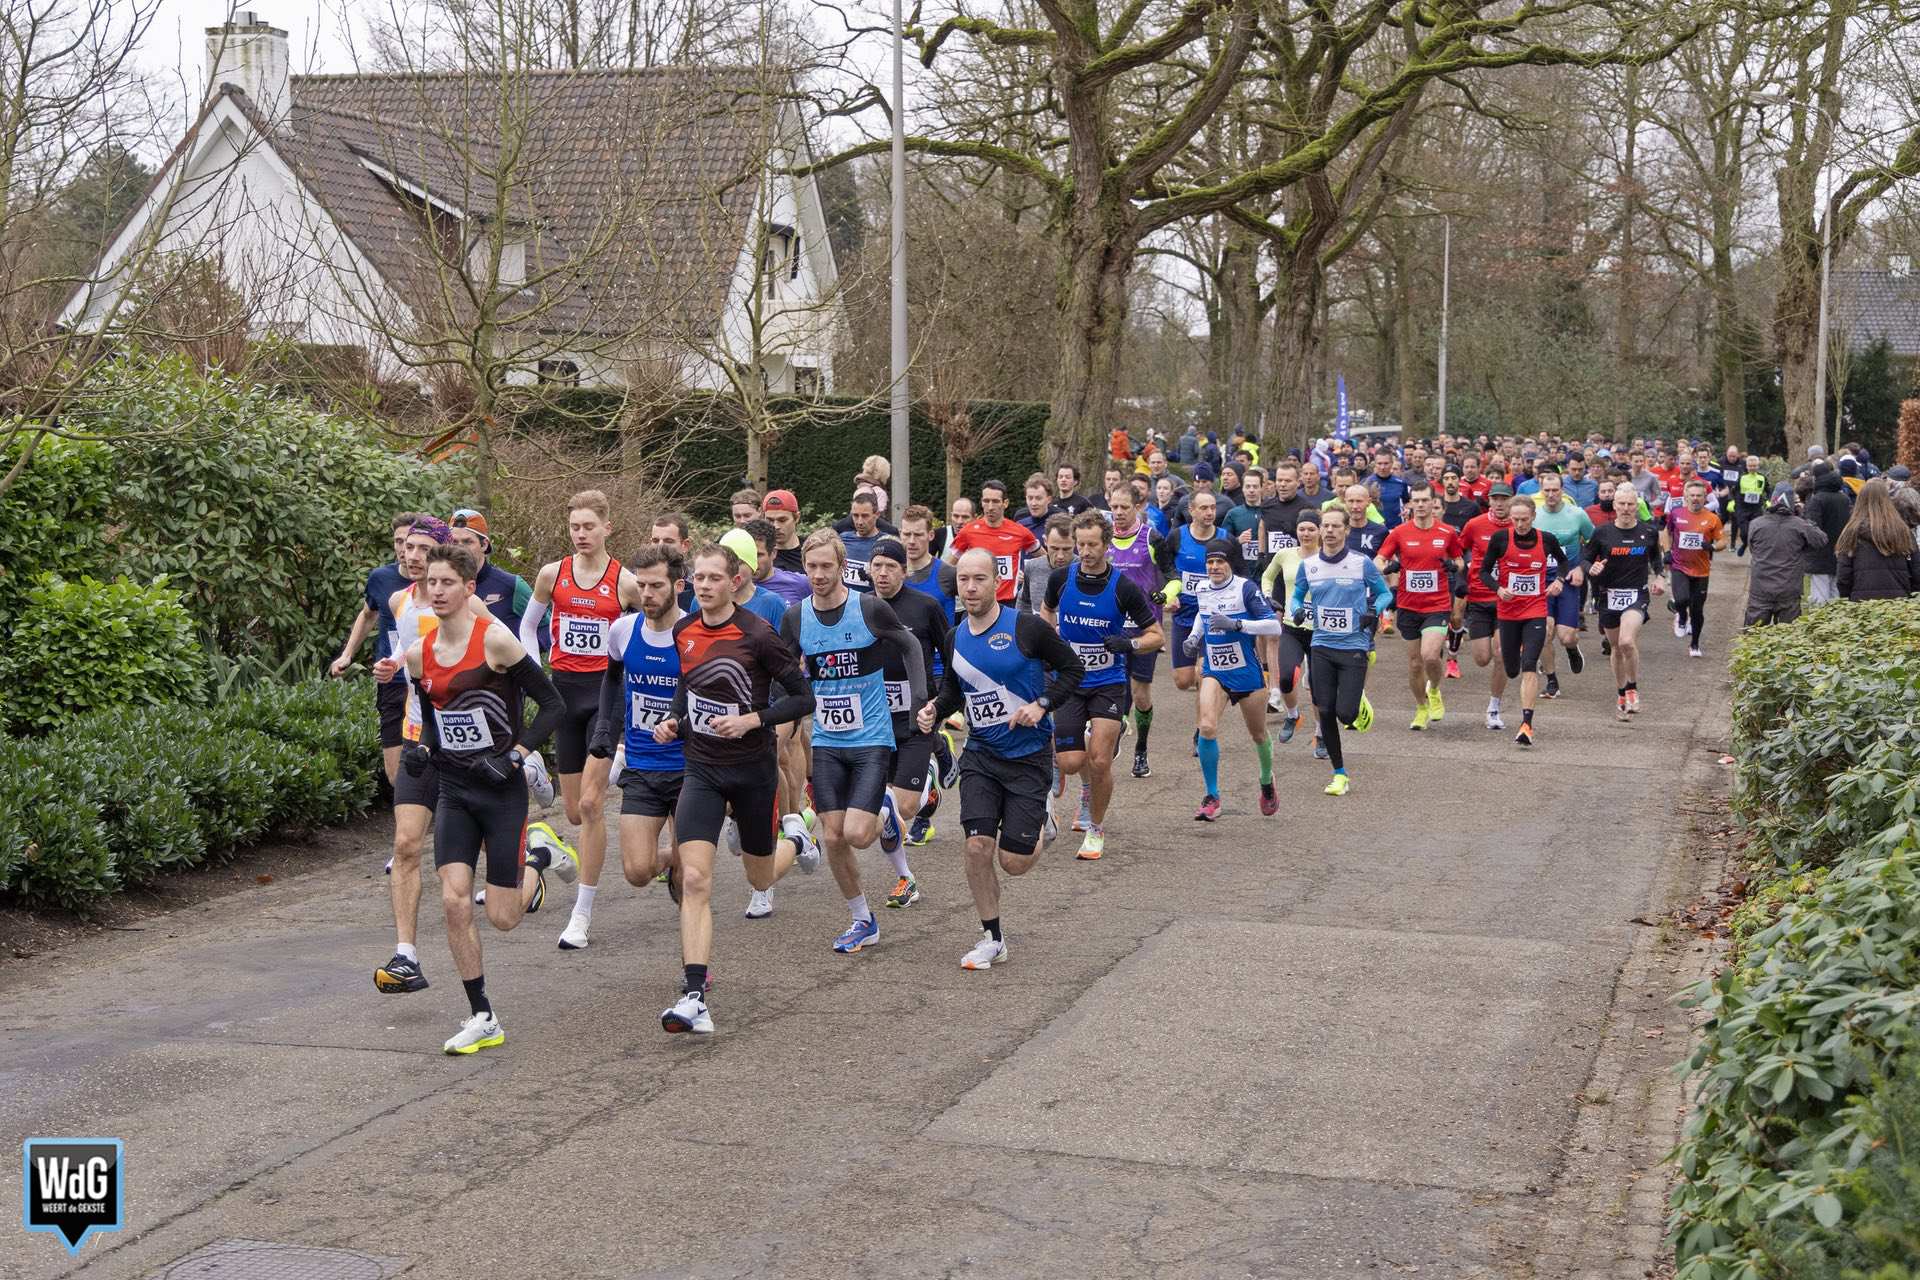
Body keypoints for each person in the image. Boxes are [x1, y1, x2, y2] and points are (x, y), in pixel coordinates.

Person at [401, 543, 570, 1054]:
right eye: (431, 583)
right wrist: (423, 749)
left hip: (500, 790)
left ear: (469, 588)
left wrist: (517, 755)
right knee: (453, 899)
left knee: (502, 917)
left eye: (447, 583)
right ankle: (482, 1014)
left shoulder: (496, 642)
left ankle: (540, 856)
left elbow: (553, 705)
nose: (437, 591)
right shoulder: (418, 655)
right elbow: (431, 716)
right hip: (454, 789)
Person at [654, 544, 821, 1033]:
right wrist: (673, 718)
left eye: (713, 578)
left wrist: (754, 719)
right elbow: (687, 685)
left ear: (734, 581)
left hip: (752, 772)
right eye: (698, 578)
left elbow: (802, 697)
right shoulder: (683, 631)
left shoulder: (758, 634)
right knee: (696, 879)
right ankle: (693, 994)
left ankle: (796, 839)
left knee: (761, 878)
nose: (704, 585)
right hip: (702, 769)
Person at [916, 549, 1085, 969]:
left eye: (979, 579)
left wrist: (1042, 704)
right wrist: (936, 709)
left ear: (998, 583)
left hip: (1028, 759)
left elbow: (1072, 669)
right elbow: (955, 689)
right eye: (964, 581)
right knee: (976, 847)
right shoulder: (955, 636)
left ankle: (1044, 817)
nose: (970, 588)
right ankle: (992, 937)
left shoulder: (1026, 628)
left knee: (1014, 863)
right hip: (982, 756)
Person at [783, 529, 927, 953]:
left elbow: (910, 645)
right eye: (812, 566)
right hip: (827, 739)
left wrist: (919, 699)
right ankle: (863, 919)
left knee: (859, 835)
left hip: (871, 738)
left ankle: (882, 808)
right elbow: (784, 671)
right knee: (832, 838)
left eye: (827, 566)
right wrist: (782, 715)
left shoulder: (868, 609)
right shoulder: (796, 617)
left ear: (843, 567)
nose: (819, 574)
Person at [518, 491, 644, 951]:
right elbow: (528, 628)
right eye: (574, 527)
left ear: (607, 527)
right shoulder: (552, 574)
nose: (581, 534)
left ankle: (581, 915)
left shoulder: (626, 583)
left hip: (605, 696)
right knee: (573, 811)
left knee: (591, 807)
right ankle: (555, 847)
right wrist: (535, 673)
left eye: (589, 526)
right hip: (564, 693)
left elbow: (641, 635)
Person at [1044, 512, 1162, 855]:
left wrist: (1130, 643)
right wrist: (1052, 641)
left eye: (1092, 544)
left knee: (1099, 761)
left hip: (1108, 682)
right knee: (1068, 761)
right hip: (1069, 681)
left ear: (1107, 545)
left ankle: (1095, 828)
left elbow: (1154, 634)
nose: (1085, 551)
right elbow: (1046, 612)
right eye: (1080, 544)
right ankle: (1085, 788)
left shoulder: (1123, 587)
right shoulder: (1060, 579)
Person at [590, 544, 688, 937]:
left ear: (678, 586)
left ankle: (694, 962)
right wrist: (604, 729)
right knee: (637, 872)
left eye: (656, 586)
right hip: (643, 766)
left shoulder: (694, 633)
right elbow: (612, 679)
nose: (647, 594)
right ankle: (674, 857)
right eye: (641, 585)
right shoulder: (623, 630)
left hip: (689, 767)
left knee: (691, 877)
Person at [1289, 507, 1392, 795]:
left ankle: (1358, 701)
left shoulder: (1361, 563)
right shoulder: (1308, 566)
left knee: (1346, 715)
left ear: (1346, 530)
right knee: (1325, 710)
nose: (1330, 531)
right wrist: (1296, 611)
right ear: (1320, 530)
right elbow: (1296, 597)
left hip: (1354, 646)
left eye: (1337, 526)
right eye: (1326, 526)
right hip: (1321, 644)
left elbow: (1385, 593)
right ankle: (1339, 774)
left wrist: (1374, 610)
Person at [868, 538, 951, 880]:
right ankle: (904, 877)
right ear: (868, 569)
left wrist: (940, 703)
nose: (883, 573)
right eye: (877, 566)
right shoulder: (861, 607)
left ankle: (932, 757)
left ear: (904, 571)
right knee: (887, 809)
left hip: (918, 716)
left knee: (902, 807)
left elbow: (950, 656)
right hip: (876, 719)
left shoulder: (925, 606)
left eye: (891, 567)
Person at [1184, 539, 1282, 821]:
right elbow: (1203, 617)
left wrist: (1238, 624)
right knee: (1206, 726)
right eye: (1210, 562)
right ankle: (1211, 796)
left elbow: (1273, 624)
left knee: (1258, 734)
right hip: (1215, 670)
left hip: (1247, 674)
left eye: (1220, 562)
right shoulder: (1202, 588)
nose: (1214, 567)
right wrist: (1193, 638)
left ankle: (1266, 781)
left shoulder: (1245, 588)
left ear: (1230, 563)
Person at [330, 511, 421, 788]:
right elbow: (368, 614)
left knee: (428, 759)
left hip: (427, 680)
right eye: (399, 542)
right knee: (395, 770)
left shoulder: (439, 582)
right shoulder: (381, 578)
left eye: (411, 542)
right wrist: (347, 654)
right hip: (391, 678)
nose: (405, 550)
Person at [1478, 496, 1570, 746]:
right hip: (1508, 612)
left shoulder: (1546, 539)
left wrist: (1559, 581)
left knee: (1529, 664)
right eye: (1515, 519)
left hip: (1535, 610)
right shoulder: (1501, 539)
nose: (1520, 524)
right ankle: (1515, 659)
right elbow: (1483, 571)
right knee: (1511, 668)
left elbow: (1564, 562)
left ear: (1533, 516)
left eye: (1524, 519)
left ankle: (1526, 724)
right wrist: (1497, 589)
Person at [1375, 482, 1460, 730]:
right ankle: (1421, 708)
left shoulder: (1446, 532)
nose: (1421, 505)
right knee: (1414, 663)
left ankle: (1434, 690)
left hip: (1437, 604)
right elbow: (1378, 560)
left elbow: (1458, 559)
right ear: (1410, 503)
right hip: (1409, 605)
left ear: (1434, 503)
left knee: (1430, 655)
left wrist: (1454, 566)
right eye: (1417, 501)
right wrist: (1389, 567)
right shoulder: (1400, 532)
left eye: (1426, 500)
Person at [1585, 487, 1664, 719]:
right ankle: (1620, 691)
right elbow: (1585, 559)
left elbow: (1657, 561)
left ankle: (1632, 688)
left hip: (1636, 595)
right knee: (1616, 648)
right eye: (1622, 504)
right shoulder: (1602, 533)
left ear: (1637, 506)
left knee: (1627, 641)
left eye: (1631, 504)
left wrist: (1660, 577)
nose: (1626, 509)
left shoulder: (1649, 532)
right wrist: (1592, 568)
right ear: (1615, 506)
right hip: (1608, 596)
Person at [1106, 485, 1165, 779]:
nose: (1118, 513)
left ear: (1137, 507)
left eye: (1124, 508)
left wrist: (1165, 594)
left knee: (1140, 693)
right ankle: (1114, 732)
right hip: (1113, 626)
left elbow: (1171, 574)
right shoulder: (1103, 540)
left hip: (1145, 627)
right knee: (1116, 686)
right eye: (1114, 507)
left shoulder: (1151, 537)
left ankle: (1141, 748)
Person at [1259, 510, 1321, 752]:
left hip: (1320, 630)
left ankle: (1320, 733)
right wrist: (1267, 598)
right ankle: (1293, 715)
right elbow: (1267, 576)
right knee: (1285, 678)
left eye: (1311, 529)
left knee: (1317, 685)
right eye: (1302, 529)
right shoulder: (1285, 555)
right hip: (1292, 628)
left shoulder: (1326, 558)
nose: (1306, 533)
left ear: (1319, 531)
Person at [1528, 471, 1593, 697]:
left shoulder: (1577, 514)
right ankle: (1552, 680)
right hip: (1541, 582)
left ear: (1562, 491)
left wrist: (1581, 568)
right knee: (1544, 633)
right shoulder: (1533, 517)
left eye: (1555, 490)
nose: (1551, 495)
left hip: (1568, 581)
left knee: (1566, 636)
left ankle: (1572, 648)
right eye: (1547, 490)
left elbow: (1594, 546)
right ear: (1541, 491)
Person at [1459, 484, 1516, 729]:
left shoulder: (1520, 526)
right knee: (1482, 658)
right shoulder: (1475, 525)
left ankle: (1494, 708)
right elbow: (1457, 551)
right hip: (1479, 599)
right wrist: (1460, 580)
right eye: (1496, 499)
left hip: (1507, 601)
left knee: (1501, 655)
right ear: (1489, 501)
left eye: (1504, 499)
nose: (1500, 503)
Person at [1662, 479, 1726, 658]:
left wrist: (1712, 547)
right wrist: (1667, 551)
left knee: (1697, 609)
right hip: (1679, 565)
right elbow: (1665, 533)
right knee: (1681, 600)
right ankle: (1682, 617)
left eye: (1699, 496)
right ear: (1685, 497)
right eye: (1692, 496)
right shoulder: (1676, 514)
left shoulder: (1712, 518)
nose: (1695, 499)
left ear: (1705, 498)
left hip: (1701, 570)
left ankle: (1695, 644)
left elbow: (1722, 541)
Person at [1743, 492, 1827, 627]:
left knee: (1752, 634)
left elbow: (1753, 549)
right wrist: (1805, 518)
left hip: (1761, 588)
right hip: (1789, 588)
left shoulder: (1756, 524)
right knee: (1788, 638)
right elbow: (1821, 540)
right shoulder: (1800, 525)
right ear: (1792, 504)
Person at [951, 480, 1040, 603]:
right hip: (979, 602)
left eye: (995, 501)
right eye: (986, 501)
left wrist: (1028, 576)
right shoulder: (968, 531)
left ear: (1005, 503)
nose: (990, 507)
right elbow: (949, 566)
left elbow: (1044, 559)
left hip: (1009, 603)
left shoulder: (1020, 532)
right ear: (981, 502)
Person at [448, 510, 534, 637]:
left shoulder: (512, 585)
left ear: (484, 545)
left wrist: (516, 652)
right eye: (454, 542)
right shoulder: (439, 585)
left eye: (467, 542)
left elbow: (546, 629)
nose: (460, 548)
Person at [1836, 479, 1920, 599]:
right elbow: (1916, 571)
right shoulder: (1902, 531)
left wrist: (1847, 599)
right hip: (1898, 603)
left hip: (1861, 603)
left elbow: (1843, 576)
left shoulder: (1851, 532)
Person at [1802, 461, 1852, 605]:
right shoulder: (1844, 498)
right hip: (1840, 552)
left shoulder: (1817, 500)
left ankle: (1819, 626)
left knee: (1819, 597)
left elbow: (1812, 528)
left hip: (1820, 555)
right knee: (1835, 596)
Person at [719, 527, 787, 627]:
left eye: (739, 563)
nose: (732, 569)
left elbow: (782, 642)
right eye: (725, 563)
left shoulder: (773, 603)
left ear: (752, 565)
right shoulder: (703, 600)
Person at [839, 491, 886, 593]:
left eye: (865, 516)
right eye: (855, 515)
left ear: (877, 514)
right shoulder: (842, 540)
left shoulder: (886, 543)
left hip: (871, 605)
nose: (859, 522)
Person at [931, 496, 976, 561]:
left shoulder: (980, 536)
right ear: (951, 515)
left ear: (974, 518)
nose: (959, 521)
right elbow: (927, 565)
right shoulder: (939, 534)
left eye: (965, 517)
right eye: (956, 516)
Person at [1017, 473, 1056, 538]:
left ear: (1049, 499)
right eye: (1030, 498)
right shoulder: (1019, 526)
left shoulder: (1058, 526)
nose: (1033, 503)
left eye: (1038, 498)